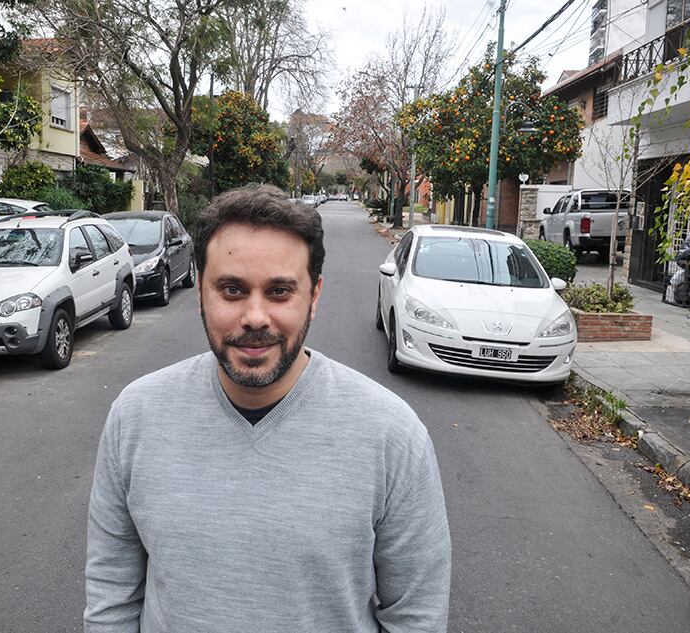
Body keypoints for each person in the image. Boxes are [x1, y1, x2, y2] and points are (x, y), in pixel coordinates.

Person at [84, 184, 450, 632]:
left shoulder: (392, 435)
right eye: (232, 290)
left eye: (279, 291)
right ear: (200, 293)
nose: (255, 317)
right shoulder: (135, 418)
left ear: (314, 296)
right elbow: (111, 596)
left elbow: (417, 617)